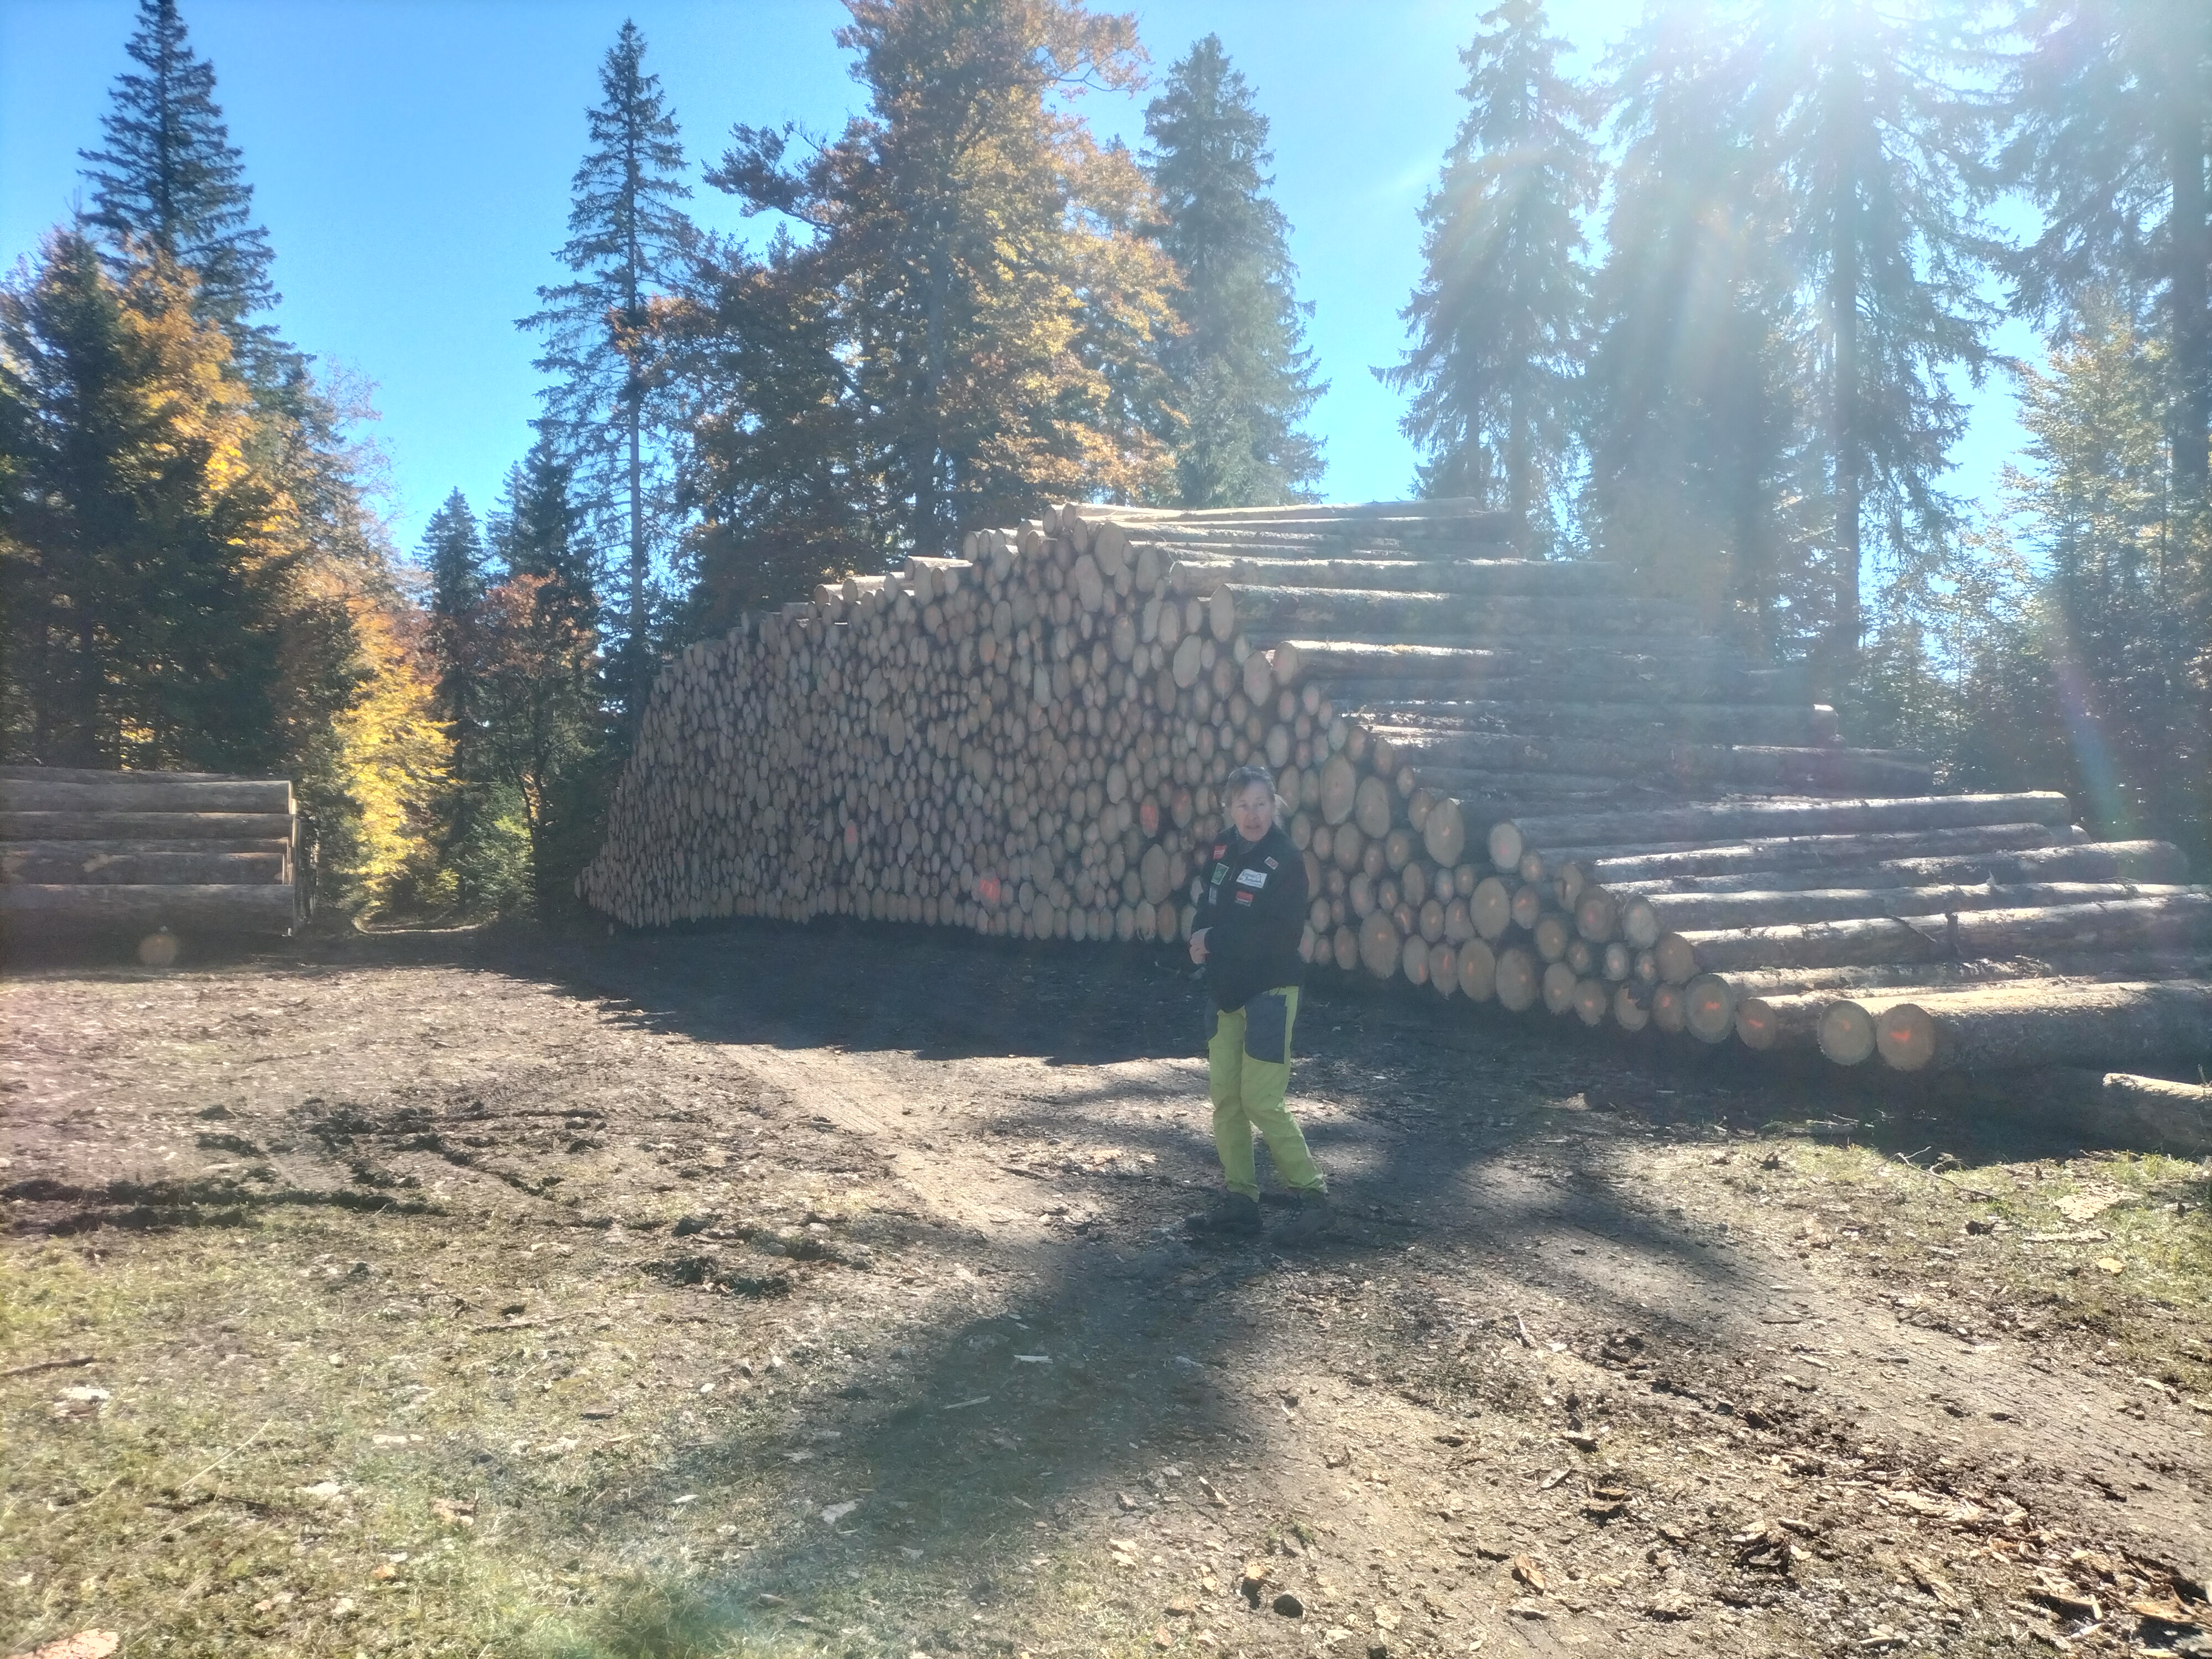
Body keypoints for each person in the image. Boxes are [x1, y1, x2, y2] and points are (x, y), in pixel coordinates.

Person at [1184, 763, 1333, 1243]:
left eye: (1261, 805)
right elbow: (1209, 905)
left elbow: (1281, 936)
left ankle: (1314, 1196)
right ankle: (1240, 1200)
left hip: (1270, 991)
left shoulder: (1286, 860)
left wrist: (1215, 940)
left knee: (1261, 1100)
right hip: (1225, 991)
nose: (1252, 815)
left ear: (1276, 806)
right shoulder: (1224, 847)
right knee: (1226, 1097)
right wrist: (1199, 936)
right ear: (1230, 808)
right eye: (1243, 806)